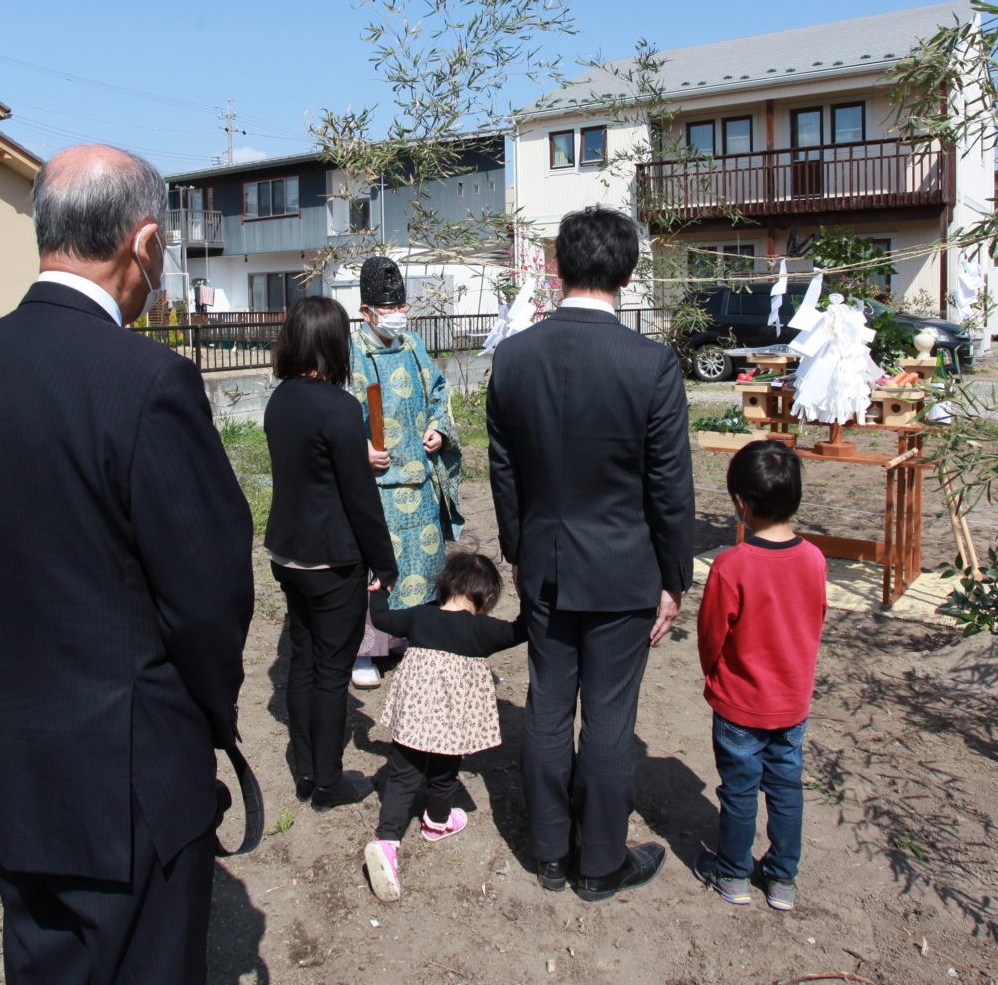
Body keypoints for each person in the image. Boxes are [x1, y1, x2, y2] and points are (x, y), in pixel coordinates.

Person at [0, 145, 255, 985]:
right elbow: (209, 595)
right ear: (143, 244)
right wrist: (211, 719)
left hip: (11, 762)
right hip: (126, 768)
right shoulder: (147, 380)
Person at [486, 205, 694, 901]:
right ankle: (599, 862)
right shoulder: (651, 364)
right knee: (609, 717)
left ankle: (549, 851)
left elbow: (504, 470)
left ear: (557, 268)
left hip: (545, 560)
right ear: (628, 274)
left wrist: (519, 552)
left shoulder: (514, 357)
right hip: (623, 568)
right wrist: (674, 579)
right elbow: (669, 488)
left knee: (547, 707)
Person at [264, 296, 398, 808]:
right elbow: (359, 497)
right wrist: (384, 563)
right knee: (331, 671)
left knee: (302, 660)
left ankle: (305, 770)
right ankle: (327, 781)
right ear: (330, 343)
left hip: (288, 552)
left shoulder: (282, 400)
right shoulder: (339, 408)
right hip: (333, 558)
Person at [695, 441, 827, 912]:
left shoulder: (732, 565)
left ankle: (733, 874)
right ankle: (782, 879)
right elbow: (813, 621)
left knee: (739, 789)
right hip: (791, 701)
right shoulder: (814, 559)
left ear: (740, 503)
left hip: (739, 703)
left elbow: (711, 633)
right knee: (787, 788)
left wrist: (712, 673)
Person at [360, 549, 526, 903]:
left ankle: (386, 840)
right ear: (488, 598)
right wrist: (530, 596)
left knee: (403, 774)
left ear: (443, 586)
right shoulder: (485, 630)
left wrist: (379, 593)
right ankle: (437, 822)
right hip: (454, 723)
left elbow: (384, 620)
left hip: (414, 717)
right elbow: (521, 631)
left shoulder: (420, 617)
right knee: (444, 773)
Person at [348, 255, 464, 688]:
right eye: (388, 308)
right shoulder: (350, 352)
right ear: (367, 312)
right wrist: (359, 448)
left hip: (421, 477)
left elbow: (438, 390)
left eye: (401, 307)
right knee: (379, 571)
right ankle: (366, 651)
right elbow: (339, 410)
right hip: (376, 483)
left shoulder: (414, 344)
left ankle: (417, 637)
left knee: (424, 562)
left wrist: (437, 428)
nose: (398, 315)